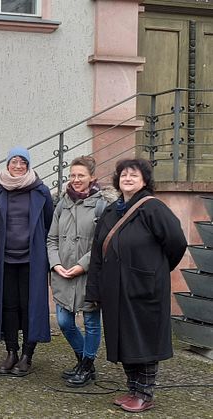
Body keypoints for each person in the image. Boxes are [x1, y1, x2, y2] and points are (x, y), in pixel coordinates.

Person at [86, 158, 186, 413]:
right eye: (123, 175)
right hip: (116, 289)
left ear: (144, 180)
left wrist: (155, 271)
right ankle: (132, 389)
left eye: (134, 175)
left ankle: (145, 393)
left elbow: (176, 243)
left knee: (145, 339)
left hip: (145, 288)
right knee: (123, 337)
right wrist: (95, 289)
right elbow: (98, 252)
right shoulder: (111, 210)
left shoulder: (153, 208)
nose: (127, 179)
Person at [47, 156, 115, 387]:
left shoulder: (102, 205)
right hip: (62, 273)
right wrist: (56, 264)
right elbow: (51, 239)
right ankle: (85, 361)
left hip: (89, 274)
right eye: (73, 175)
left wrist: (81, 266)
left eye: (81, 176)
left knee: (91, 322)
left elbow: (102, 242)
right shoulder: (62, 203)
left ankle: (85, 366)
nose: (76, 180)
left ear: (92, 178)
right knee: (65, 322)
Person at [0, 146, 53, 376]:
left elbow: (48, 224)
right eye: (14, 162)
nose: (18, 166)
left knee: (30, 307)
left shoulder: (41, 191)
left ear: (28, 165)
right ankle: (11, 352)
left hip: (32, 259)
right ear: (7, 165)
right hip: (4, 259)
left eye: (22, 162)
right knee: (9, 307)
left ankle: (28, 354)